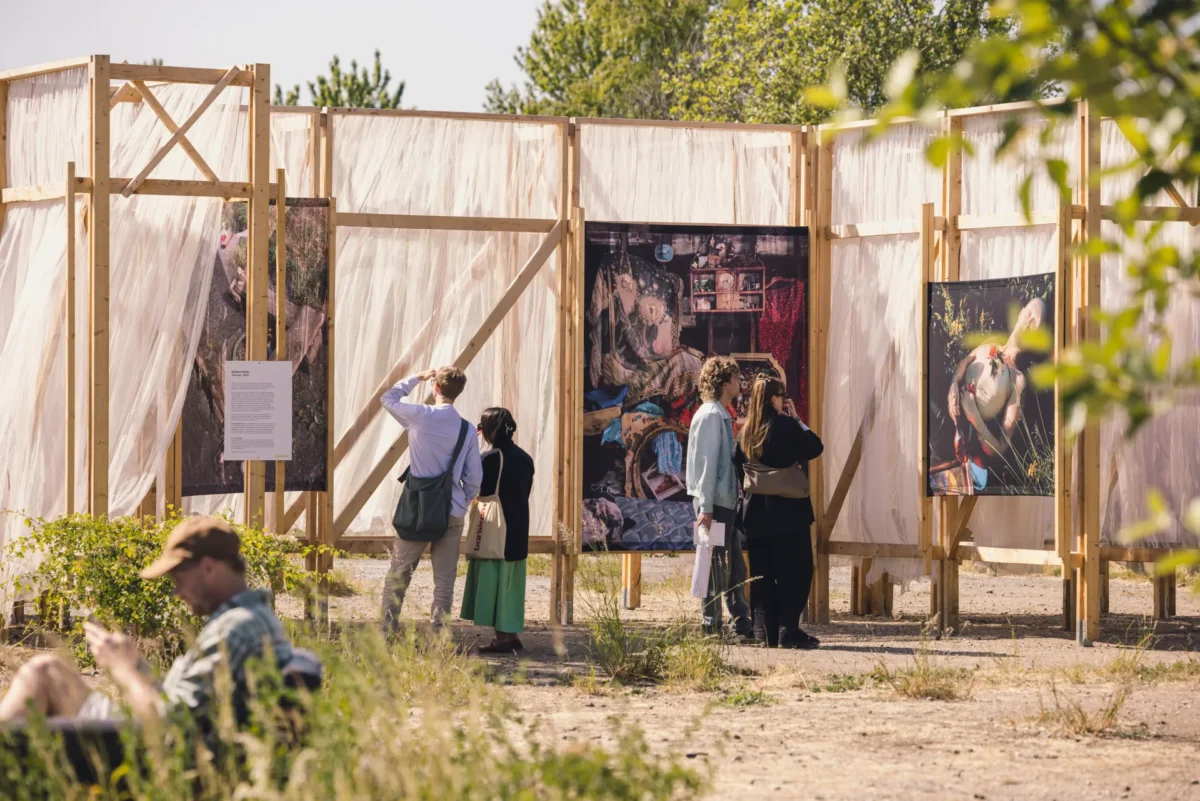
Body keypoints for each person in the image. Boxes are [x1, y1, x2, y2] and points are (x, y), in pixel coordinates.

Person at [0, 516, 295, 732]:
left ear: (208, 567)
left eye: (178, 580)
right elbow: (181, 703)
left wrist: (123, 668)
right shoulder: (245, 621)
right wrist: (136, 664)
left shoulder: (237, 628)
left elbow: (168, 727)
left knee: (42, 673)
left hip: (139, 745)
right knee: (49, 671)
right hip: (150, 730)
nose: (177, 592)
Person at [380, 366, 483, 633]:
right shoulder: (467, 429)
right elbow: (474, 478)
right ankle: (439, 635)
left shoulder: (420, 416)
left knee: (399, 573)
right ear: (458, 392)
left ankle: (387, 631)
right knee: (444, 580)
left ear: (435, 387)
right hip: (451, 510)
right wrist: (462, 500)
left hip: (418, 508)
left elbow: (388, 399)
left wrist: (417, 377)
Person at [734, 376, 824, 649]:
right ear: (775, 399)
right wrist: (797, 419)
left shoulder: (746, 431)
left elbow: (739, 466)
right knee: (796, 571)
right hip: (789, 515)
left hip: (756, 516)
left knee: (762, 574)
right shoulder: (785, 425)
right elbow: (814, 447)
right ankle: (788, 630)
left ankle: (764, 632)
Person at [685, 356, 753, 641]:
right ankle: (711, 626)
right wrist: (708, 508)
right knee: (717, 565)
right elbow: (708, 463)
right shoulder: (712, 415)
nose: (740, 383)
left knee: (733, 564)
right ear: (725, 382)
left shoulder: (717, 413)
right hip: (716, 504)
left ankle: (741, 624)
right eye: (735, 379)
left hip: (721, 503)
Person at [460, 408, 535, 654]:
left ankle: (503, 639)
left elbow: (475, 488)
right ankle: (510, 634)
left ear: (487, 430)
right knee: (511, 582)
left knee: (494, 578)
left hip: (494, 527)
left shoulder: (489, 458)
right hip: (518, 525)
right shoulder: (525, 458)